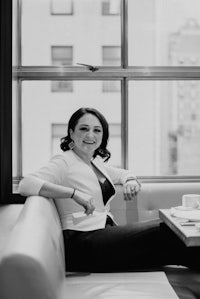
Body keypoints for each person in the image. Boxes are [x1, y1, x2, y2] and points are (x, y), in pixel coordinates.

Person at [19, 107, 199, 272]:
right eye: (84, 129)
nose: (90, 135)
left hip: (102, 236)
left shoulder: (94, 162)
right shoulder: (64, 161)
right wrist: (73, 193)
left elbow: (122, 173)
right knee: (167, 230)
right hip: (81, 242)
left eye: (97, 130)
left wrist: (130, 180)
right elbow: (26, 184)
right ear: (71, 133)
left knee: (179, 249)